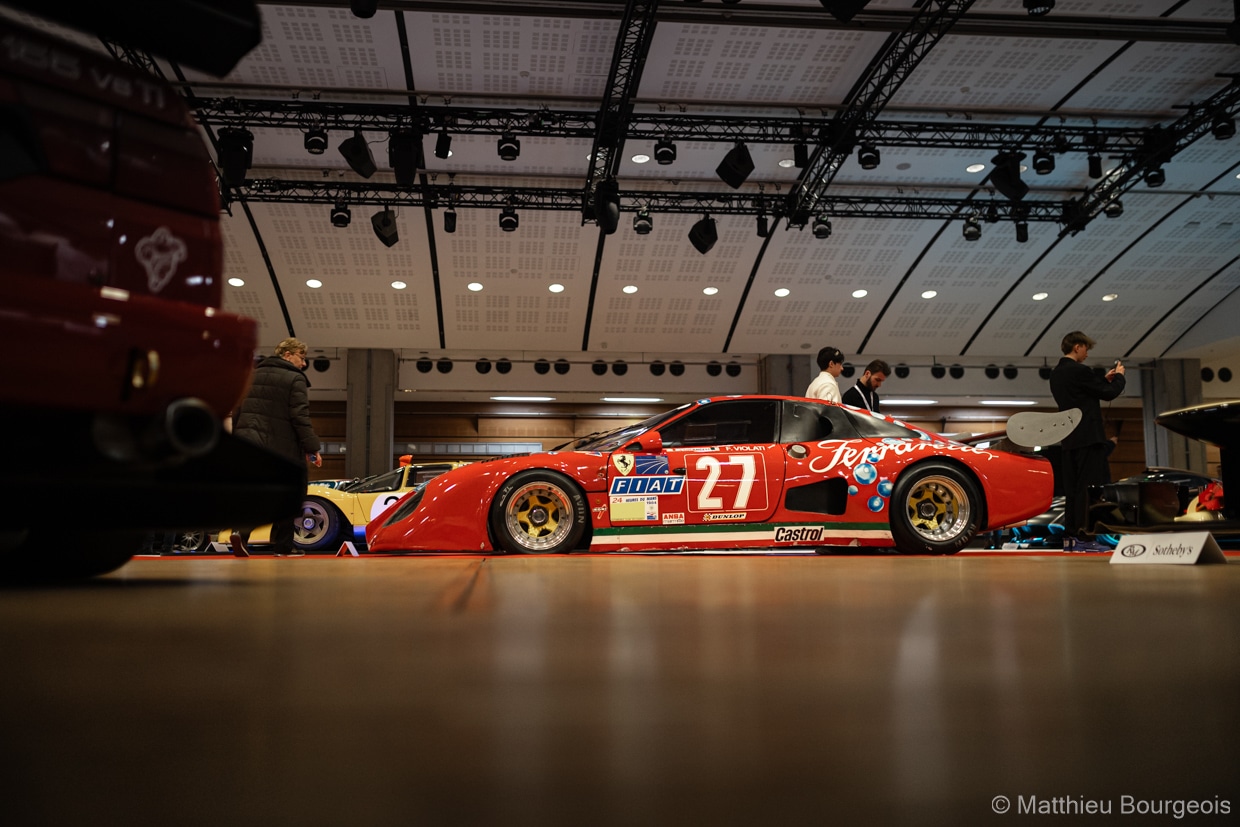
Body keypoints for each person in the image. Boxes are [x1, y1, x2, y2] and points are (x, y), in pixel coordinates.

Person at [231, 338, 322, 557]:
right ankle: (284, 546)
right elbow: (299, 416)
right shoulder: (294, 378)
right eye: (302, 358)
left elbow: (237, 411)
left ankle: (241, 533)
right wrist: (312, 447)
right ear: (288, 355)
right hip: (282, 447)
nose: (303, 364)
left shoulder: (252, 375)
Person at [1049, 331, 1126, 550]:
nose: (1087, 354)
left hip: (1068, 438)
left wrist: (1101, 380)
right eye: (1086, 349)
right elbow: (1109, 393)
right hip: (1088, 438)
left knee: (1072, 491)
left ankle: (1071, 537)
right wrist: (1119, 376)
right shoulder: (1080, 371)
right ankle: (1085, 537)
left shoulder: (1056, 374)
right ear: (1077, 347)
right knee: (1087, 489)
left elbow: (1081, 393)